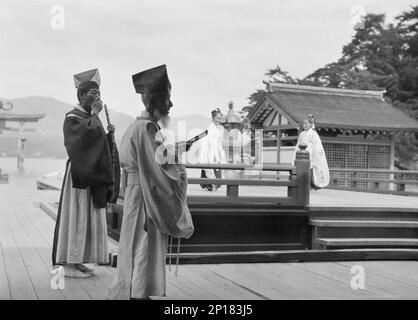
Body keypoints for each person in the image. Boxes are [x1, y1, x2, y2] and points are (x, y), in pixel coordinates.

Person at [107, 65, 194, 300]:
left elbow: (152, 159)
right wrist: (178, 159)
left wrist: (173, 150)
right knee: (143, 244)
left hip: (137, 191)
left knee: (133, 243)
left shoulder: (136, 127)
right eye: (167, 99)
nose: (171, 105)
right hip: (147, 194)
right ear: (155, 102)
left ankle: (131, 290)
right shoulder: (147, 128)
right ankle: (137, 293)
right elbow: (160, 169)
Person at [52, 68, 118, 278]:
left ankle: (79, 260)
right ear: (80, 96)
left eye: (99, 94)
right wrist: (96, 119)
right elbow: (81, 143)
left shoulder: (90, 117)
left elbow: (98, 144)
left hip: (91, 175)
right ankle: (69, 264)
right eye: (92, 94)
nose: (97, 98)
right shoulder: (72, 118)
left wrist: (108, 135)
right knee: (77, 217)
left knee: (86, 217)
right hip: (79, 175)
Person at [293, 114, 330, 189]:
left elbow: (317, 145)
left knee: (310, 170)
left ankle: (310, 185)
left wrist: (315, 154)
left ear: (310, 124)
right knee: (301, 169)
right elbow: (298, 144)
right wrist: (296, 152)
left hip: (311, 153)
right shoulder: (302, 134)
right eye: (303, 123)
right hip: (302, 153)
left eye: (306, 123)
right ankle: (301, 184)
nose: (304, 125)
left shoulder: (313, 134)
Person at [199, 108, 226, 191]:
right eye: (217, 118)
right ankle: (209, 185)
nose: (219, 120)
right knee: (211, 169)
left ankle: (208, 185)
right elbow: (208, 143)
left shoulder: (217, 128)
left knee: (215, 171)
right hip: (210, 152)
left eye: (220, 118)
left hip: (215, 152)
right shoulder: (211, 128)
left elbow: (218, 143)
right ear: (213, 118)